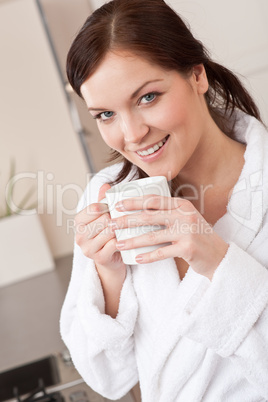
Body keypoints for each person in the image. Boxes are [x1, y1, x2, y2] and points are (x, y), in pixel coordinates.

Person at [60, 0, 268, 400]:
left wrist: (217, 262)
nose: (132, 134)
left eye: (147, 97)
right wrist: (108, 276)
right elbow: (106, 378)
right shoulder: (106, 196)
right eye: (105, 115)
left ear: (197, 76)